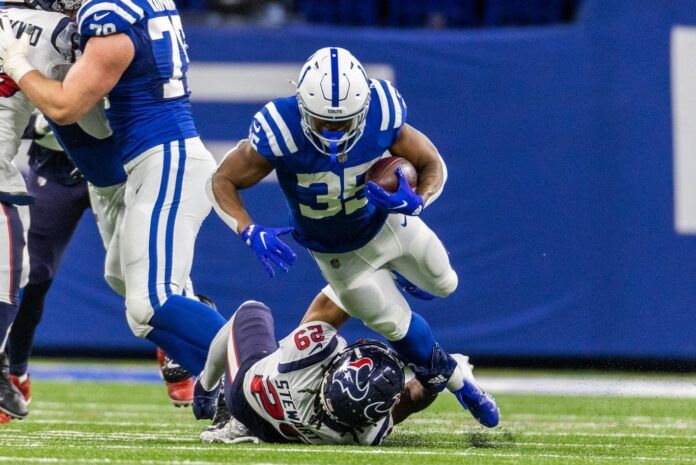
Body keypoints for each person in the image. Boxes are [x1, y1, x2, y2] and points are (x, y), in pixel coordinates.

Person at [207, 47, 499, 427]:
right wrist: (247, 229)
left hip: (388, 225)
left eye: (343, 122)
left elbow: (432, 163)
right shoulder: (281, 127)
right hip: (337, 255)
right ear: (302, 106)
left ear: (362, 109)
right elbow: (223, 179)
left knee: (446, 282)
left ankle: (391, 280)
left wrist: (418, 200)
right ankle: (460, 381)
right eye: (322, 122)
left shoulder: (383, 110)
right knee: (395, 324)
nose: (332, 132)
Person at [1, 0, 227, 375]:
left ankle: (258, 365)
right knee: (126, 286)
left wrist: (19, 65)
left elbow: (64, 108)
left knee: (153, 299)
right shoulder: (138, 6)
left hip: (162, 156)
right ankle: (216, 385)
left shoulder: (107, 15)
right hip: (140, 162)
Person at [192, 300, 442, 445]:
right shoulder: (366, 434)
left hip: (245, 398)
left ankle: (206, 390)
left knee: (252, 309)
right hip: (280, 435)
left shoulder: (314, 352)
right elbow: (414, 397)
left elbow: (339, 297)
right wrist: (439, 375)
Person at [0, 0, 81, 422]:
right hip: (37, 165)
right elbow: (66, 106)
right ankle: (7, 368)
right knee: (20, 276)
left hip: (105, 161)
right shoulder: (59, 32)